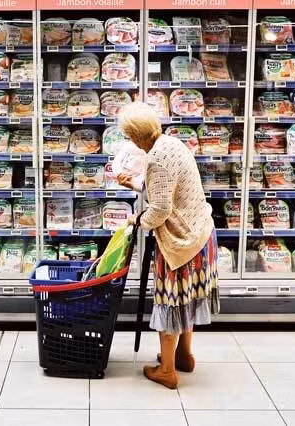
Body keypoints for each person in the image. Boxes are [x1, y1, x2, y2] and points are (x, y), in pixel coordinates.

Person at [116, 102, 219, 389]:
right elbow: (165, 186)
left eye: (128, 136)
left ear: (136, 137)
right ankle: (185, 356)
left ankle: (168, 370)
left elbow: (159, 210)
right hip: (201, 234)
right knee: (188, 299)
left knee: (170, 301)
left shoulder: (155, 160)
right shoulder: (171, 143)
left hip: (181, 243)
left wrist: (135, 221)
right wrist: (135, 184)